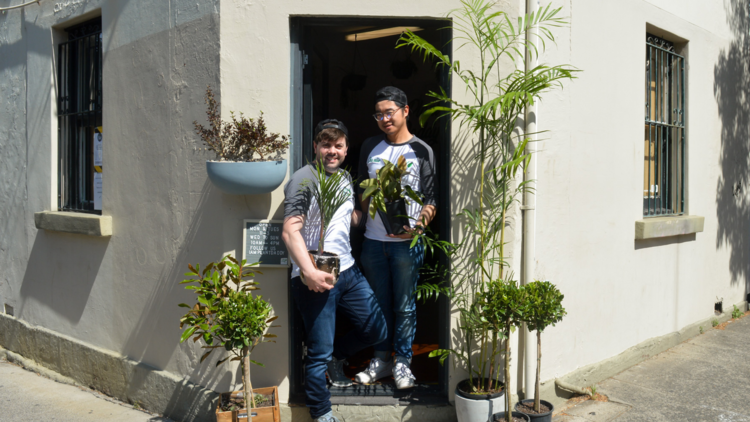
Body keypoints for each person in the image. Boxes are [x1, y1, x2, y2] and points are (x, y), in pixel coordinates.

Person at [282, 119, 387, 422]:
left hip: (349, 271)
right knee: (317, 352)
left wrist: (376, 204)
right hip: (316, 277)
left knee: (376, 328)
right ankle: (322, 414)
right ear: (315, 147)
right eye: (326, 145)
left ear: (345, 148)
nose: (332, 151)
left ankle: (336, 357)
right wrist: (310, 273)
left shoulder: (343, 178)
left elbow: (348, 219)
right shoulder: (304, 180)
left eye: (338, 145)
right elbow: (291, 231)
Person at [355, 87, 438, 389]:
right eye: (379, 114)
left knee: (404, 306)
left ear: (405, 111)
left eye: (389, 112)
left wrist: (418, 228)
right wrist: (367, 223)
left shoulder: (422, 151)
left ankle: (402, 361)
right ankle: (381, 359)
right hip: (374, 243)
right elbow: (361, 191)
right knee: (376, 304)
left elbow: (431, 198)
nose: (384, 118)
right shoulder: (369, 147)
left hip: (407, 245)